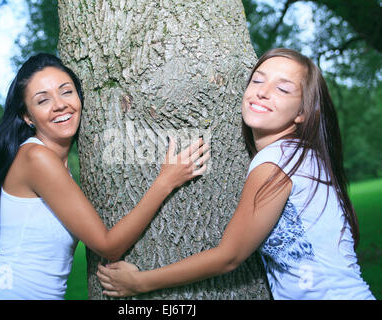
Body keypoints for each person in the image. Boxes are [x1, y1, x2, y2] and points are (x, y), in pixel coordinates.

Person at [97, 48, 375, 300]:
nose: (263, 91)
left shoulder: (275, 161)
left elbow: (229, 256)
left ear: (302, 112)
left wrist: (139, 282)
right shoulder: (303, 154)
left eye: (283, 88)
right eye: (257, 80)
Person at [0, 53, 211, 300]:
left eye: (66, 91)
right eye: (43, 100)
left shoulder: (54, 163)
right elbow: (109, 246)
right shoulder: (36, 158)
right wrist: (165, 182)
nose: (59, 104)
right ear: (27, 117)